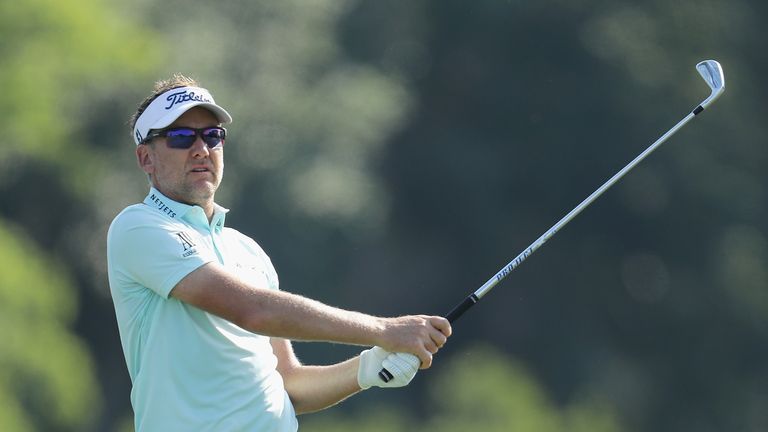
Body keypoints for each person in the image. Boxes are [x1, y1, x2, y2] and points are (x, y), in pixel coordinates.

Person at [106, 74, 452, 431]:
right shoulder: (138, 227)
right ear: (145, 158)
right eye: (181, 137)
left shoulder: (247, 250)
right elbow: (252, 310)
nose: (201, 149)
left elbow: (288, 384)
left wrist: (368, 367)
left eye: (213, 136)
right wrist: (383, 329)